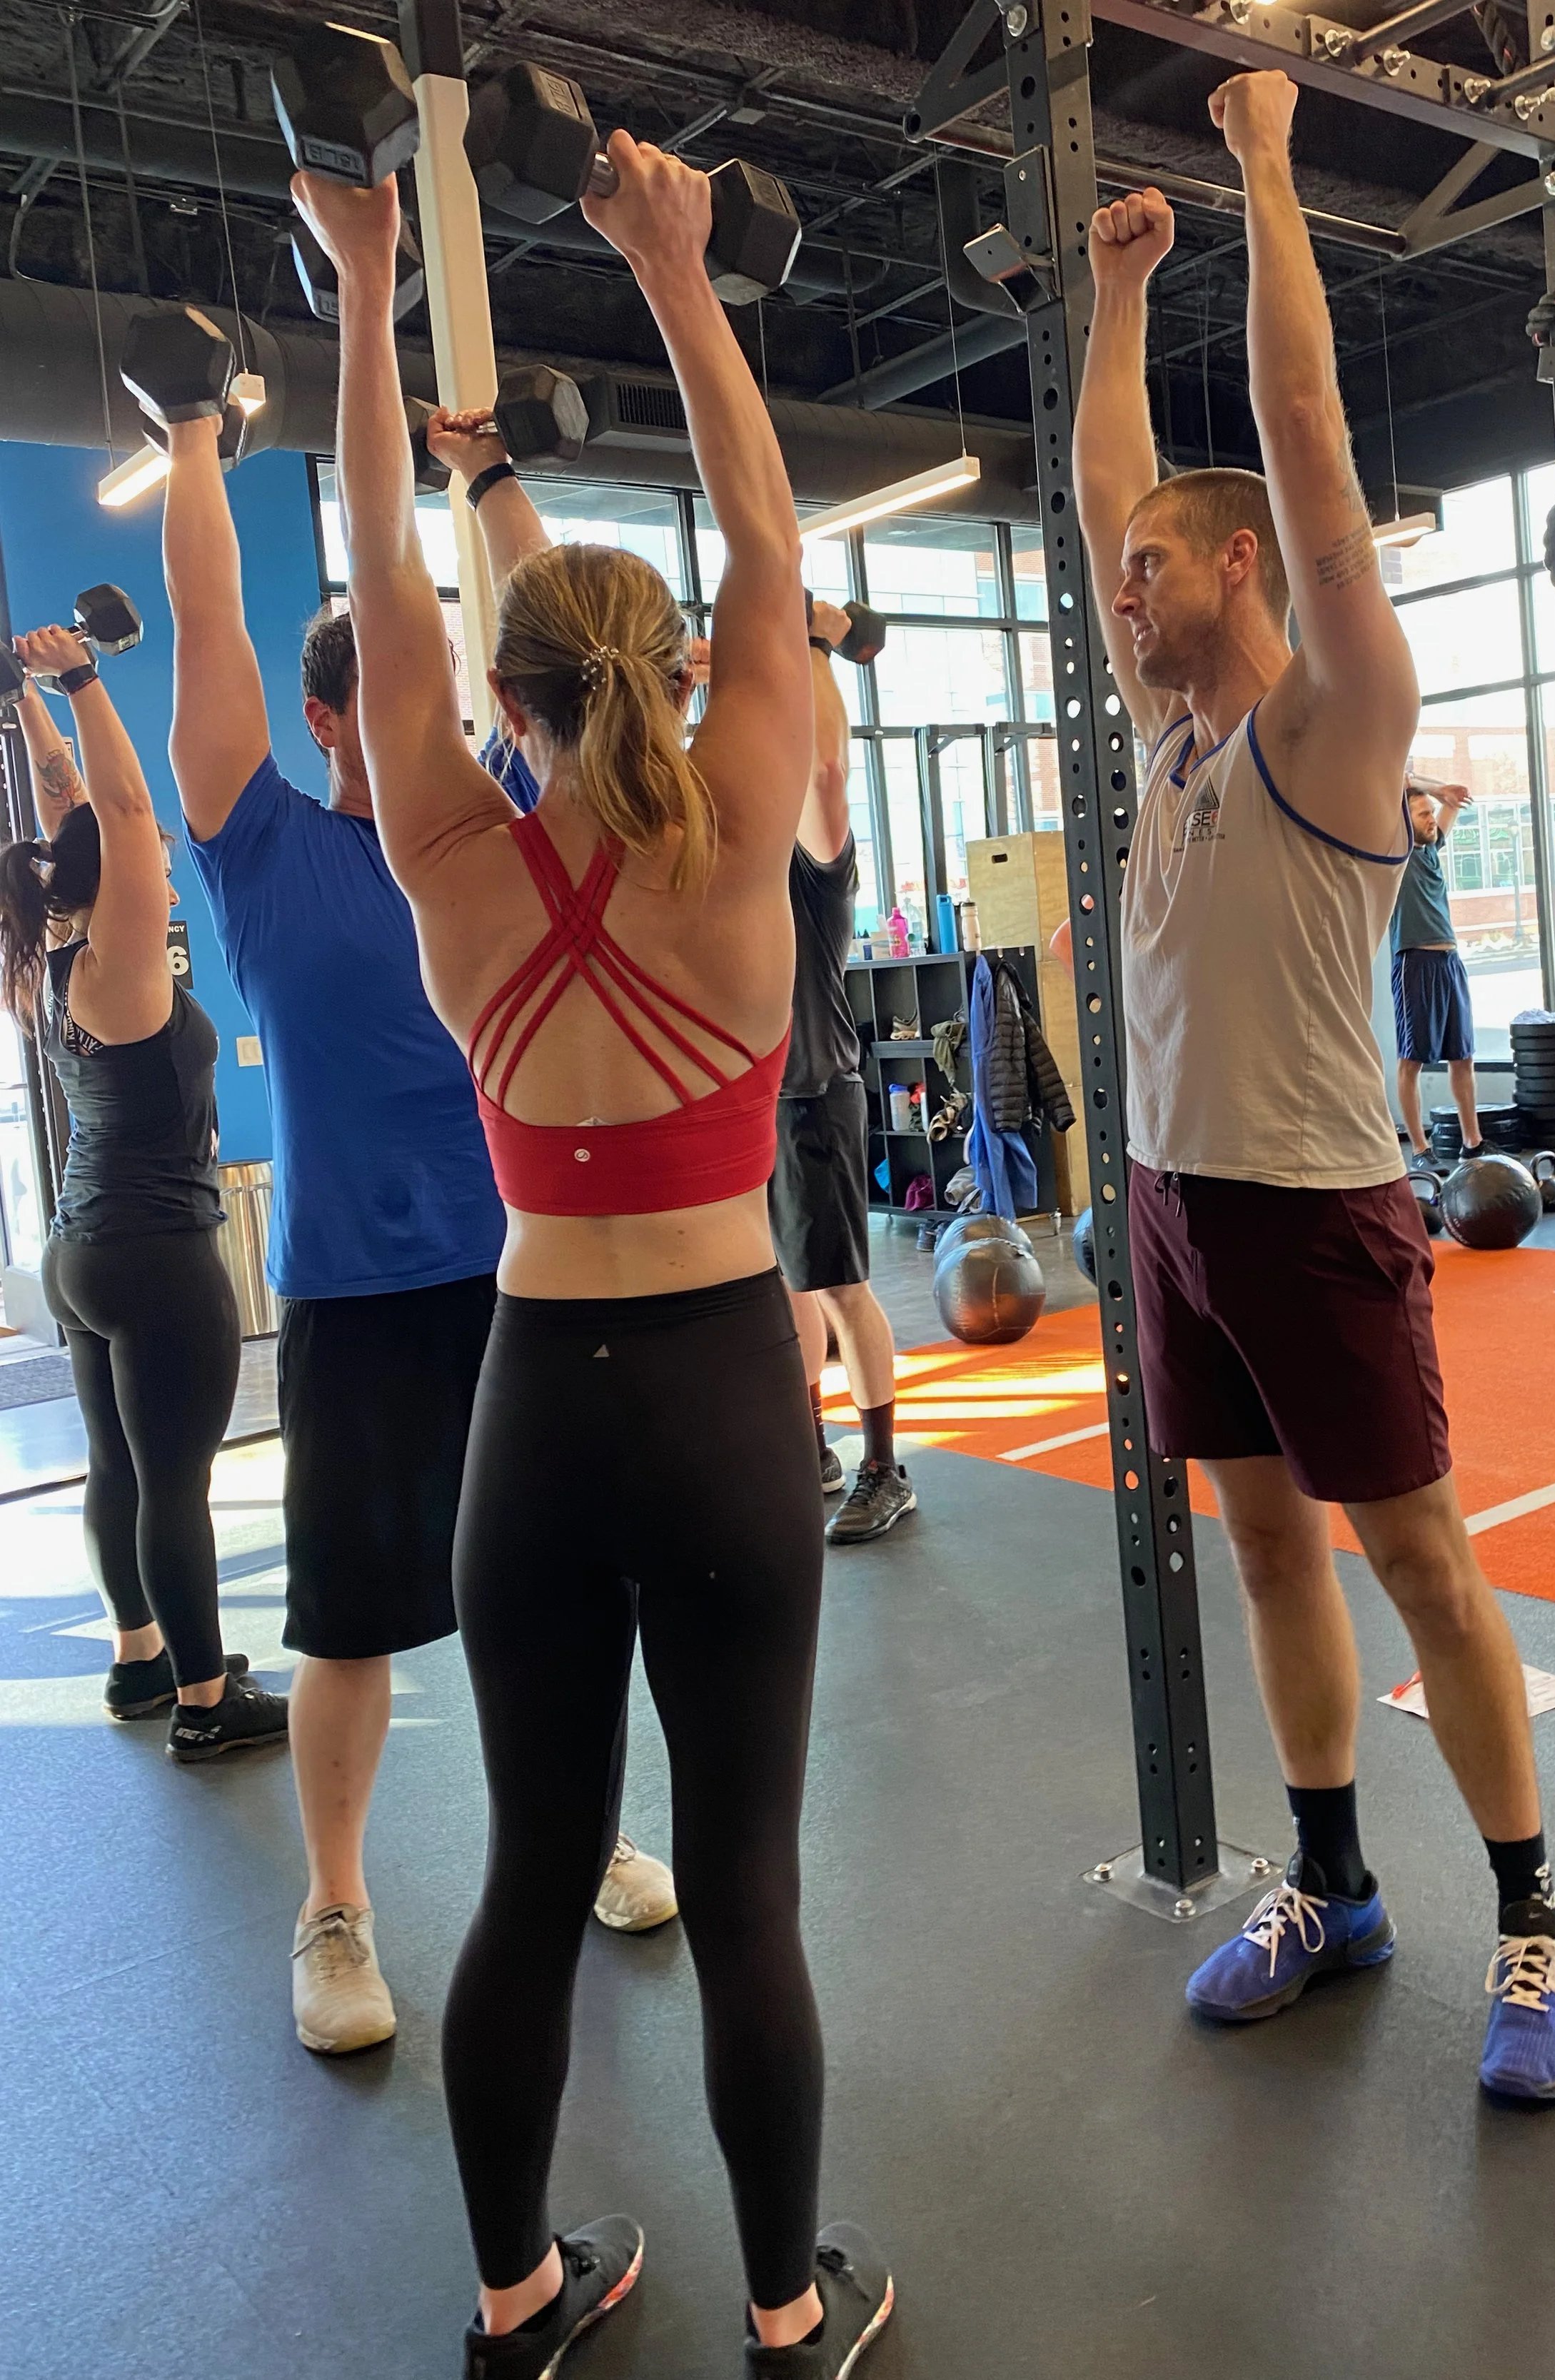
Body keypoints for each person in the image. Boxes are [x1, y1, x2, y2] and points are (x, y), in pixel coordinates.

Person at [293, 131, 892, 2380]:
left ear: (502, 703)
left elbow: (380, 563)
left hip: (530, 1419)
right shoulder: (740, 815)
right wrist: (671, 271)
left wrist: (362, 294)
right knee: (739, 1888)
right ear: (661, 674)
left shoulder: (442, 842)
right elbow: (759, 537)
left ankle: (516, 2300)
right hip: (732, 1405)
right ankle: (776, 2310)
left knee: (534, 1872)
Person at [1072, 69, 1555, 2102]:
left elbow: (1294, 444)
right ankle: (1329, 1879)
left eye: (1144, 568)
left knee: (1419, 1560)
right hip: (1170, 1202)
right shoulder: (1180, 735)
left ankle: (1536, 1917)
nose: (1117, 589)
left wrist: (1265, 170)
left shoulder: (1329, 715)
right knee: (1270, 1551)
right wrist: (1118, 297)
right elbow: (1127, 471)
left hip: (1309, 1199)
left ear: (1238, 569)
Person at [159, 390, 670, 2055]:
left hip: (526, 1275)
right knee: (354, 1624)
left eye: (443, 697)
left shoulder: (508, 841)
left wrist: (487, 477)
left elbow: (597, 692)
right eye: (392, 698)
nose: (429, 720)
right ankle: (334, 1906)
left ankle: (582, 1840)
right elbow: (210, 625)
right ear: (332, 720)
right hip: (357, 1298)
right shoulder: (264, 851)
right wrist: (188, 449)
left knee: (567, 1598)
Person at [0, 636, 284, 1758]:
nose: (158, 846)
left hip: (78, 1250)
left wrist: (21, 704)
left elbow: (81, 805)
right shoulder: (120, 951)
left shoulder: (49, 950)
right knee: (178, 1482)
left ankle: (139, 1659)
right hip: (157, 1255)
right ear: (114, 871)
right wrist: (78, 680)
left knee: (120, 1465)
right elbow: (115, 803)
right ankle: (208, 1702)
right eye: (145, 849)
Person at [771, 607, 914, 1546]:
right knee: (788, 1289)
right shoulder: (738, 856)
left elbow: (826, 769)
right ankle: (813, 1448)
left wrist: (817, 641)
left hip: (820, 1092)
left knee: (841, 1288)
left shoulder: (817, 860)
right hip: (756, 1104)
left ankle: (883, 1466)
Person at [1392, 780, 1484, 1163]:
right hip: (1415, 962)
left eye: (1432, 813)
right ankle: (1420, 1148)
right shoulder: (1394, 852)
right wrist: (1430, 787)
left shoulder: (1431, 850)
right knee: (1412, 1060)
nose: (1433, 820)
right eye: (1423, 814)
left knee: (1462, 1056)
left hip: (1449, 961)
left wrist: (1446, 798)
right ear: (1402, 820)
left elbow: (1454, 802)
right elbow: (1399, 779)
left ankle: (1472, 1143)